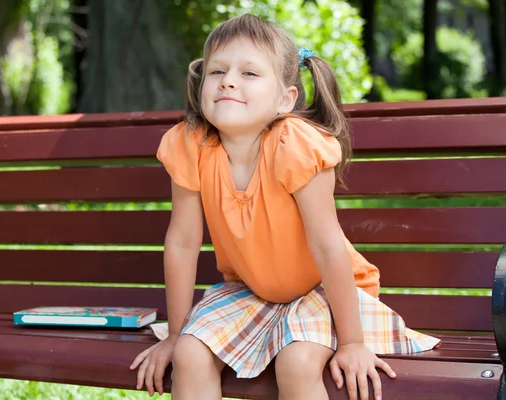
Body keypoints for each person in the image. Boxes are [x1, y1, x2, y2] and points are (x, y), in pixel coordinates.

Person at [130, 13, 440, 400]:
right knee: (190, 355)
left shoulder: (294, 145)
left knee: (296, 362)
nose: (228, 80)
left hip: (323, 291)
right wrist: (176, 334)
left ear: (284, 99)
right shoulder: (190, 144)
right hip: (251, 291)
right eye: (217, 71)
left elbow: (328, 247)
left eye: (250, 73)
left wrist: (352, 344)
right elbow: (182, 242)